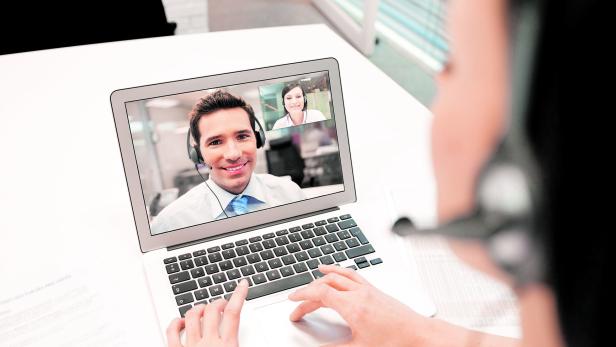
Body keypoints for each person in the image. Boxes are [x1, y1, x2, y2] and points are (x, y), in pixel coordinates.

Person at [165, 0, 606, 346]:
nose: (439, 82)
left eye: (456, 64)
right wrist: (419, 334)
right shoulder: (173, 221)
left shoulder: (289, 189)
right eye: (215, 142)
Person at [151, 90, 306, 234]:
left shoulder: (290, 194)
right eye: (216, 142)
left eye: (242, 136)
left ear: (258, 139)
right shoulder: (171, 223)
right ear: (198, 153)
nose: (233, 154)